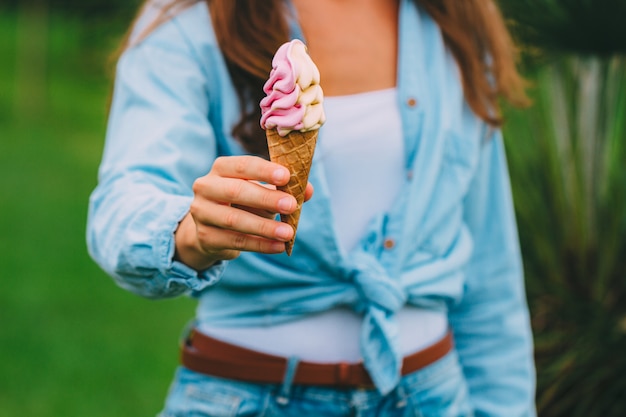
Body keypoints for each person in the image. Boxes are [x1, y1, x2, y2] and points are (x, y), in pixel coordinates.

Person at [87, 0, 537, 415]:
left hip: (434, 396)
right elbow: (123, 202)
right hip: (246, 396)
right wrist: (190, 231)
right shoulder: (190, 17)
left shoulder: (454, 17)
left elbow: (490, 274)